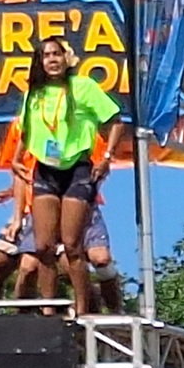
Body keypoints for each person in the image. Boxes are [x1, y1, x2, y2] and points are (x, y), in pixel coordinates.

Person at [14, 33, 124, 312]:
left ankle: (83, 309)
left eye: (56, 54)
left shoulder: (83, 87)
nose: (52, 60)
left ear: (66, 58)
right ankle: (49, 310)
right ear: (39, 61)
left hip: (78, 168)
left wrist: (107, 157)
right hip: (45, 170)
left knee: (73, 245)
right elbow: (26, 131)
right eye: (46, 55)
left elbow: (115, 120)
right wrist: (16, 158)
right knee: (43, 247)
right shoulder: (33, 93)